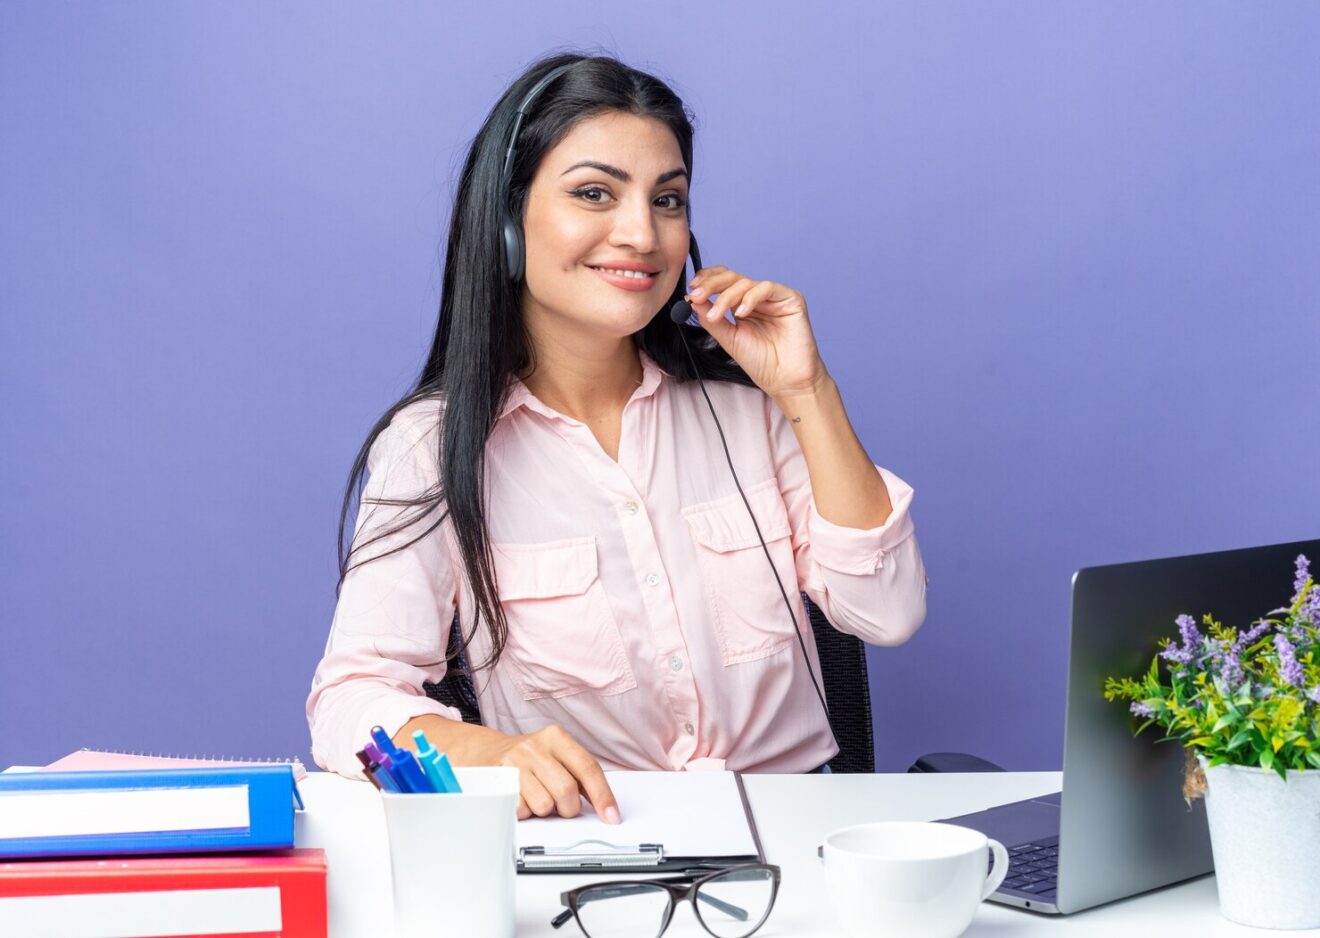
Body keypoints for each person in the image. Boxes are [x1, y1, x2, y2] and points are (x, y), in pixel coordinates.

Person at [306, 52, 928, 824]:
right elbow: (348, 700)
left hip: (799, 838)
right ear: (507, 222)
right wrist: (494, 754)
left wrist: (806, 390)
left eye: (668, 200)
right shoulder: (433, 449)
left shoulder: (750, 411)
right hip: (594, 852)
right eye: (594, 193)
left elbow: (889, 610)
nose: (641, 233)